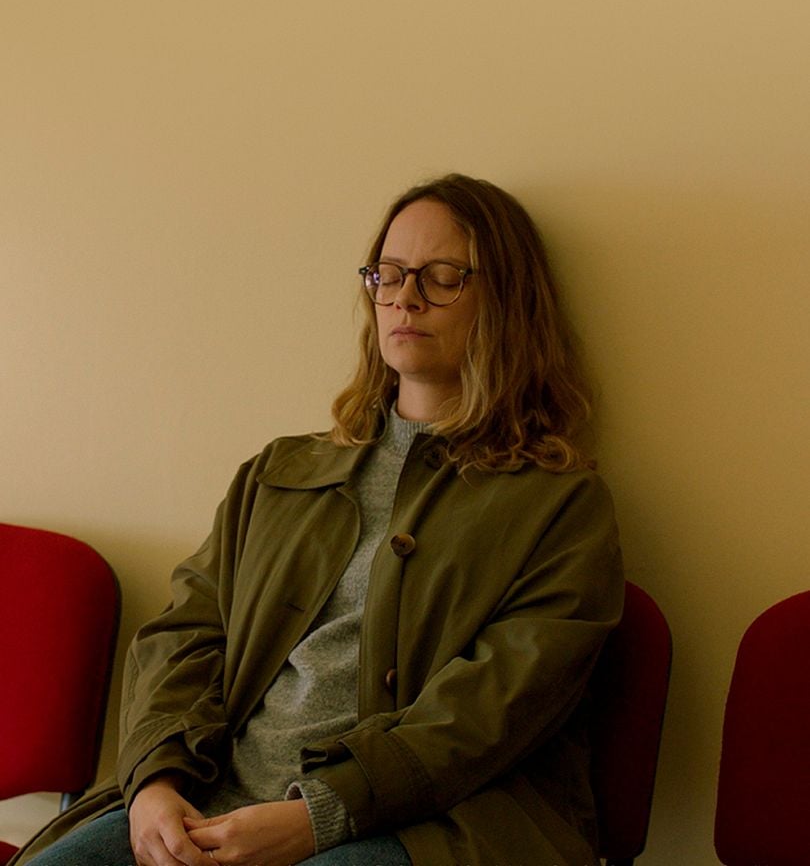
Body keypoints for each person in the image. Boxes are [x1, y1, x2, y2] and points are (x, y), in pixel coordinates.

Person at [14, 174, 623, 866]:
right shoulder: (280, 472)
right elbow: (184, 635)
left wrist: (320, 815)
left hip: (426, 825)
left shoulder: (559, 505)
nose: (406, 298)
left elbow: (491, 712)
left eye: (443, 276)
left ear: (508, 300)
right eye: (388, 274)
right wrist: (155, 780)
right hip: (211, 796)